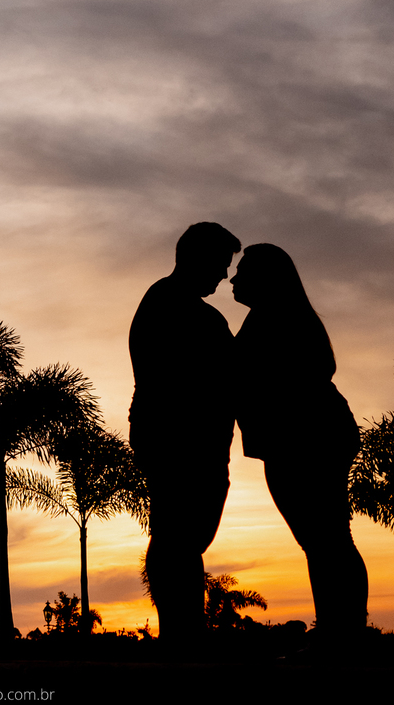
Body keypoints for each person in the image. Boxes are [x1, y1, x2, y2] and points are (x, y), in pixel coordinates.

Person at [230, 243, 368, 640]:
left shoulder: (280, 318)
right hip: (299, 437)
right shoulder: (267, 318)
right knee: (323, 539)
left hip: (309, 438)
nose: (234, 279)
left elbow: (305, 373)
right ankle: (339, 633)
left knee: (327, 539)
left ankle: (342, 636)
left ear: (266, 278)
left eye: (243, 272)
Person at [129, 222, 241, 643]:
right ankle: (183, 632)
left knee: (178, 537)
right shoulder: (181, 310)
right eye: (220, 265)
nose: (224, 276)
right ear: (198, 259)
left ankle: (181, 631)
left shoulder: (172, 304)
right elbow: (224, 376)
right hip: (183, 442)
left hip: (179, 438)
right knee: (180, 538)